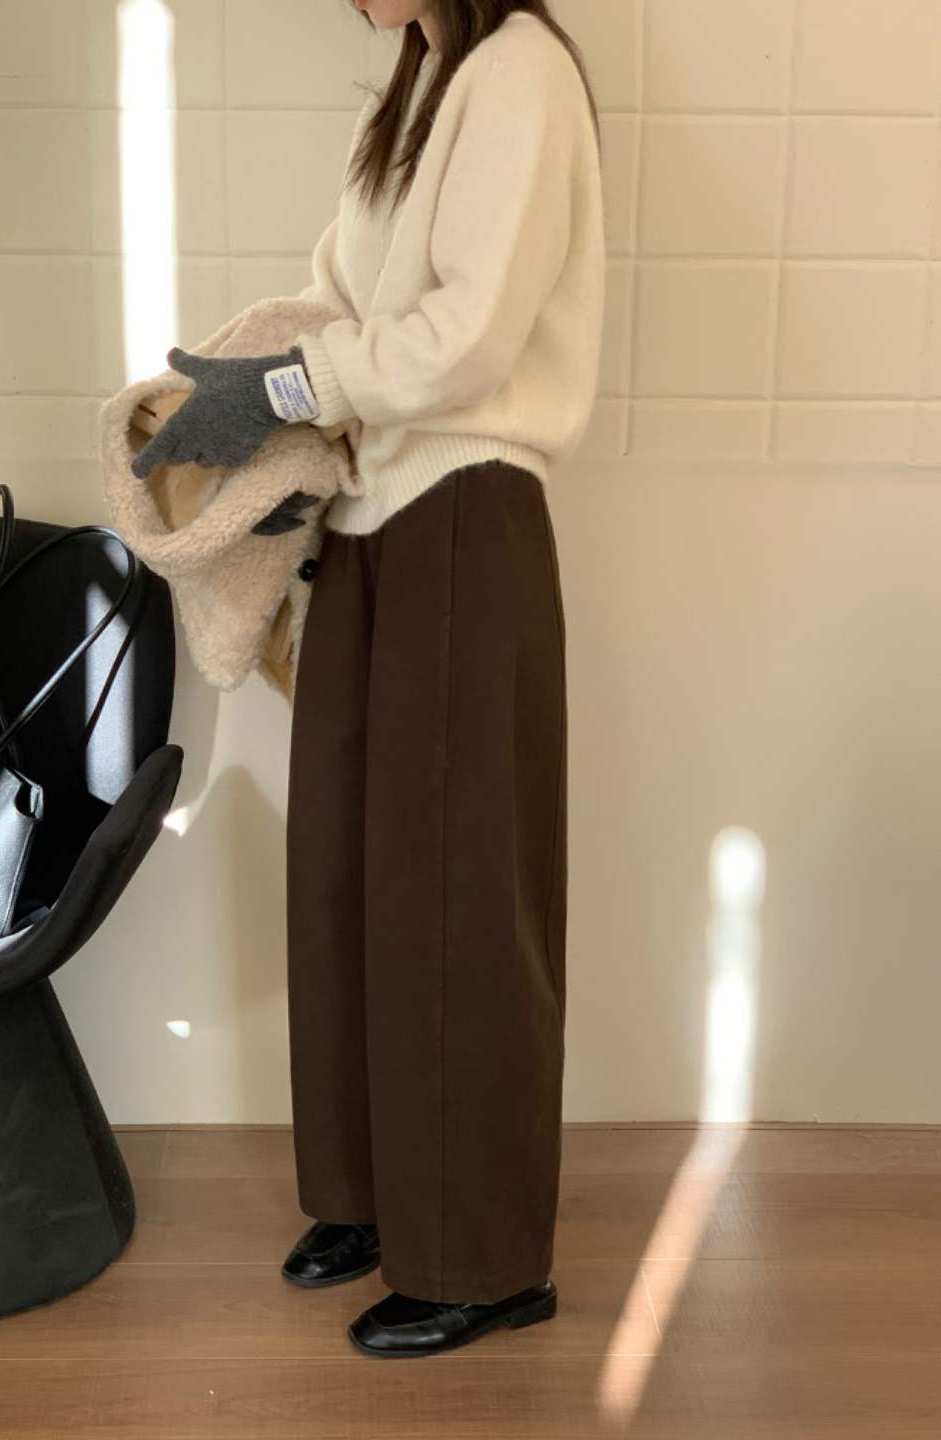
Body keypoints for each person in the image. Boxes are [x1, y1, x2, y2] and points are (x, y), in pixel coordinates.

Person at [137, 0, 605, 1358]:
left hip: (466, 505)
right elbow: (345, 307)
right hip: (370, 513)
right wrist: (259, 410)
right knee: (345, 870)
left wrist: (288, 391)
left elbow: (468, 338)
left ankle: (481, 1256)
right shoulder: (421, 79)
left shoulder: (519, 73)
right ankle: (374, 1195)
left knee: (454, 890)